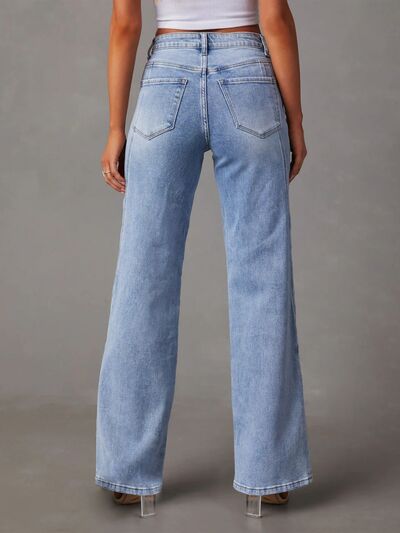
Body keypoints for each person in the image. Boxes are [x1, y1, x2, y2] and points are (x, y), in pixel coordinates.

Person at [96, 0, 312, 508]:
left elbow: (126, 22)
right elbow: (275, 17)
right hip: (249, 75)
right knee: (262, 277)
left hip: (166, 78)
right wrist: (295, 119)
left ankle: (128, 473)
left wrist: (115, 127)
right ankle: (269, 474)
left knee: (143, 279)